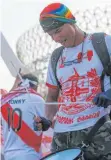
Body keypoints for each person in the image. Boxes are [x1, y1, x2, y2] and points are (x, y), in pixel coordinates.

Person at [39, 3, 111, 160]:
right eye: (51, 35)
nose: (56, 38)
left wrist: (109, 93)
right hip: (62, 135)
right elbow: (52, 96)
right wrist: (47, 119)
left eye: (58, 31)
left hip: (98, 129)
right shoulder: (56, 56)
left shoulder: (102, 42)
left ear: (71, 21)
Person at [1, 73, 50, 160]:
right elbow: (47, 125)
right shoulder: (36, 99)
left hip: (8, 154)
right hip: (29, 154)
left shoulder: (5, 102)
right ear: (35, 86)